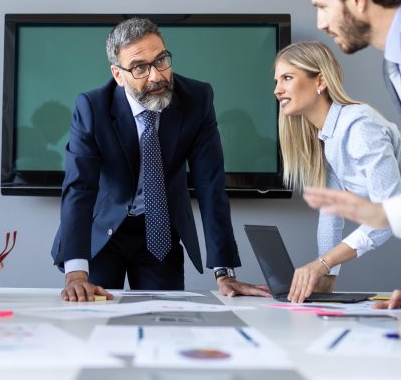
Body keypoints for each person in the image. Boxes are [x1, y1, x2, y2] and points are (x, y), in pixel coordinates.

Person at [51, 17, 270, 301]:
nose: (156, 76)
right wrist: (77, 273)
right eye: (140, 67)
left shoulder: (197, 98)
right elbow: (79, 188)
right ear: (118, 75)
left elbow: (210, 186)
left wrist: (224, 272)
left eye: (161, 60)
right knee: (93, 317)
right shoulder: (92, 108)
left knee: (164, 321)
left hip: (159, 232)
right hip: (101, 234)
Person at [302, 0, 401, 309]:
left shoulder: (359, 125)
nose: (320, 23)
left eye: (323, 6)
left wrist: (325, 266)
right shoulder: (392, 65)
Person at [274, 42, 401, 303]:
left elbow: (388, 215)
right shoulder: (329, 137)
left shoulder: (358, 127)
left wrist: (322, 263)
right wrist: (325, 280)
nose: (277, 90)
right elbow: (331, 215)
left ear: (319, 80)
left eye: (287, 78)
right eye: (277, 80)